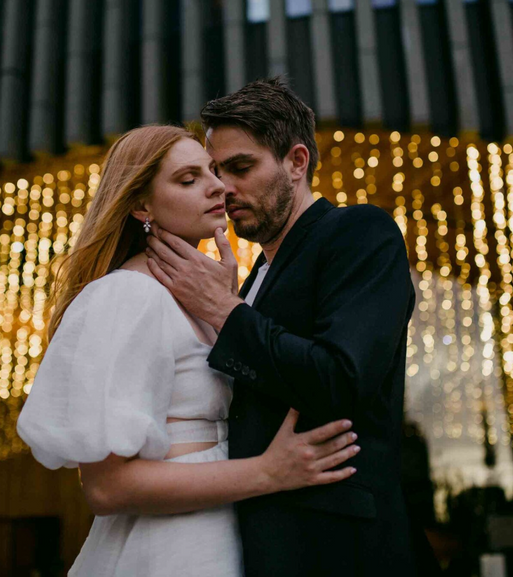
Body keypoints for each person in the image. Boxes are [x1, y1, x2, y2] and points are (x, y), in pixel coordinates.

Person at [17, 123, 362, 576]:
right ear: (141, 204)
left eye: (213, 171)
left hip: (227, 533)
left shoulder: (206, 302)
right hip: (166, 547)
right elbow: (106, 487)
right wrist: (269, 472)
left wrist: (227, 305)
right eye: (188, 179)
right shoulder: (127, 295)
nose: (217, 186)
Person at [146, 77, 420, 576]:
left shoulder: (360, 232)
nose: (223, 188)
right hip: (253, 542)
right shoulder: (252, 277)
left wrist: (224, 312)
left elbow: (342, 378)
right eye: (213, 172)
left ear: (297, 162)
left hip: (337, 549)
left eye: (241, 167)